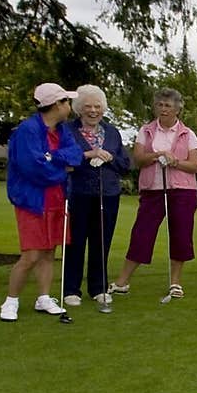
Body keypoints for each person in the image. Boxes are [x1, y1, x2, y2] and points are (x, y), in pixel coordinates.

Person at [0, 82, 84, 321]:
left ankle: (44, 297)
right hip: (32, 199)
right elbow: (33, 168)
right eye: (66, 101)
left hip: (57, 198)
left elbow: (74, 155)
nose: (69, 105)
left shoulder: (62, 130)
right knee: (31, 255)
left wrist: (52, 157)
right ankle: (11, 301)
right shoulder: (28, 130)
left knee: (49, 252)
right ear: (56, 105)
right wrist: (61, 169)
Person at [109, 88, 197, 300]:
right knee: (142, 233)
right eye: (160, 105)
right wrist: (157, 155)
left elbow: (194, 165)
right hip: (153, 190)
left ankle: (175, 283)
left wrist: (175, 161)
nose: (163, 109)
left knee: (181, 235)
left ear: (177, 109)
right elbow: (138, 159)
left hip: (182, 191)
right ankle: (123, 281)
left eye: (168, 105)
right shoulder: (147, 130)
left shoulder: (188, 133)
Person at [63, 85, 131, 306]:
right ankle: (71, 289)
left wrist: (110, 158)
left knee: (102, 241)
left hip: (108, 193)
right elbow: (64, 159)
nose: (93, 111)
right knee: (76, 242)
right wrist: (87, 155)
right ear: (79, 109)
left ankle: (98, 288)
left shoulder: (112, 132)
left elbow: (125, 165)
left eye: (98, 106)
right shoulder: (67, 130)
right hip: (79, 193)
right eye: (88, 106)